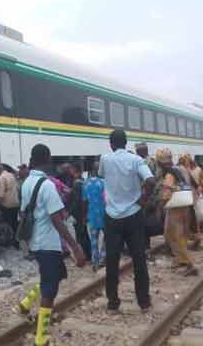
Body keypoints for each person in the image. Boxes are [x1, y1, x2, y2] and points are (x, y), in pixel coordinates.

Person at [14, 144, 86, 346]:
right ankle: (41, 338)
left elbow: (23, 212)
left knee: (57, 275)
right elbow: (57, 219)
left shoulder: (27, 182)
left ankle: (25, 303)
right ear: (47, 159)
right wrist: (75, 246)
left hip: (36, 242)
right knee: (50, 290)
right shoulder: (46, 185)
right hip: (48, 244)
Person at [98, 129, 155, 314]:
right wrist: (143, 200)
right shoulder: (136, 160)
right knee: (139, 259)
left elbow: (101, 175)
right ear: (126, 143)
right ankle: (144, 302)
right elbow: (150, 180)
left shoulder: (105, 160)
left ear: (111, 144)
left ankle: (113, 303)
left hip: (112, 217)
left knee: (112, 261)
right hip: (133, 215)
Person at [158, 149, 199, 276]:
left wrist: (160, 205)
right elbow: (194, 184)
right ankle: (180, 260)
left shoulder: (170, 174)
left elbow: (166, 194)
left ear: (161, 163)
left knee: (174, 236)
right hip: (186, 206)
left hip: (175, 209)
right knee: (177, 235)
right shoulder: (182, 169)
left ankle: (189, 264)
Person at [82, 162, 106, 271]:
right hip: (104, 215)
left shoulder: (85, 183)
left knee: (94, 240)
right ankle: (103, 258)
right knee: (106, 238)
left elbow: (84, 201)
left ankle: (94, 261)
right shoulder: (103, 183)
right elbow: (107, 200)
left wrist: (84, 216)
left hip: (91, 215)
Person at [0, 163, 21, 247]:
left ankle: (7, 242)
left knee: (6, 225)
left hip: (6, 205)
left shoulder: (1, 178)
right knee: (14, 224)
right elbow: (18, 188)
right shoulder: (11, 175)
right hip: (15, 204)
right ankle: (16, 242)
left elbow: (0, 195)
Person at [68, 163, 92, 261]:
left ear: (75, 170)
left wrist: (70, 212)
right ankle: (88, 253)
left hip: (78, 212)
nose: (70, 171)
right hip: (83, 211)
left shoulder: (76, 183)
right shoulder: (83, 181)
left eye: (71, 169)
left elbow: (76, 200)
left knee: (80, 234)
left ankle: (85, 254)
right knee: (84, 233)